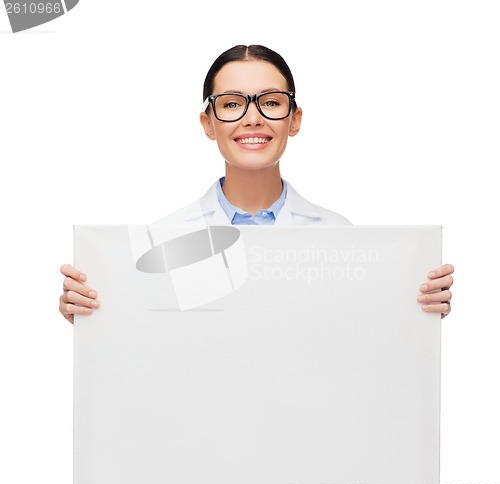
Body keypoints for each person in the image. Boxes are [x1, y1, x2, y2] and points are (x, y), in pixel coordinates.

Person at [59, 44, 454, 324]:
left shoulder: (339, 237)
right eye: (232, 104)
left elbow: (361, 335)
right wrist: (95, 316)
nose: (252, 118)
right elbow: (148, 341)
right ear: (208, 124)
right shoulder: (166, 240)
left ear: (294, 119)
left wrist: (415, 303)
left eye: (271, 101)